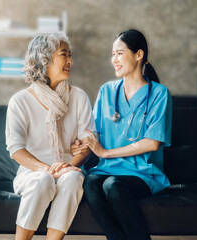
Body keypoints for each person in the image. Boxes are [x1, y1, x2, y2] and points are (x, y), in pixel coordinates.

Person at [72, 29, 172, 240]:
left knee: (112, 185)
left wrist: (106, 153)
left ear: (139, 55)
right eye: (112, 54)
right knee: (90, 182)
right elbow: (94, 133)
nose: (114, 60)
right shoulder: (107, 91)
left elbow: (152, 143)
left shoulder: (159, 94)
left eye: (119, 53)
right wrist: (80, 145)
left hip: (142, 173)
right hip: (106, 169)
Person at [5, 33, 95, 240]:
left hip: (68, 168)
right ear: (44, 58)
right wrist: (47, 169)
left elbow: (88, 141)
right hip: (32, 173)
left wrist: (68, 165)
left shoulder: (78, 96)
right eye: (64, 54)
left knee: (73, 178)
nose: (70, 61)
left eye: (70, 55)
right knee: (43, 180)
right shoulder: (20, 101)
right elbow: (16, 149)